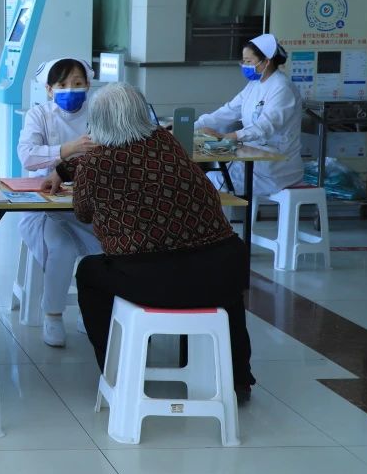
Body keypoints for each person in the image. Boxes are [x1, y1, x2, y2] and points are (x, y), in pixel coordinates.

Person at [41, 82, 255, 401]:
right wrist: (65, 167)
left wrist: (68, 172)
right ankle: (239, 379)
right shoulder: (168, 142)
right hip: (222, 270)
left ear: (96, 122)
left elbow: (83, 213)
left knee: (89, 272)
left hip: (155, 280)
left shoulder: (96, 163)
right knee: (226, 292)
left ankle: (116, 372)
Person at [16, 58, 103, 348]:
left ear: (88, 85)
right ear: (49, 90)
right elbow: (27, 156)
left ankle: (92, 310)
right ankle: (53, 315)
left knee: (107, 246)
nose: (70, 90)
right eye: (62, 85)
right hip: (45, 207)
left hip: (90, 205)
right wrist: (69, 149)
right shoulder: (39, 115)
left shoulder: (98, 114)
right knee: (62, 247)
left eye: (77, 83)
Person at [196, 33, 303, 199]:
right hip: (252, 159)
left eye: (248, 61)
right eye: (243, 61)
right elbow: (228, 111)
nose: (244, 65)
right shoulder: (254, 85)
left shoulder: (282, 88)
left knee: (211, 181)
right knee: (208, 177)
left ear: (266, 61)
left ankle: (220, 217)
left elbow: (264, 127)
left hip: (276, 169)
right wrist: (194, 126)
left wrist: (226, 137)